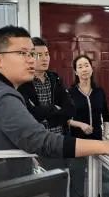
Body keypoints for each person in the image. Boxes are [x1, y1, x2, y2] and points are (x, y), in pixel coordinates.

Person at [0, 26, 109, 186]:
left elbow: (66, 110)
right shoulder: (3, 96)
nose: (31, 60)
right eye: (22, 53)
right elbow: (42, 141)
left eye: (32, 54)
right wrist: (105, 146)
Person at [17, 37, 74, 170]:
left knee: (62, 177)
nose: (45, 59)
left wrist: (46, 115)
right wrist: (54, 108)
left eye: (47, 54)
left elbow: (70, 109)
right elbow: (30, 114)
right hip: (36, 145)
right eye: (39, 55)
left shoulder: (55, 78)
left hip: (59, 141)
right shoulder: (22, 82)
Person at [66, 54, 109, 197]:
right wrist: (81, 125)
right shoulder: (70, 93)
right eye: (80, 67)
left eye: (86, 65)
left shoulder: (99, 92)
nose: (84, 69)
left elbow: (106, 115)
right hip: (78, 142)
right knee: (77, 174)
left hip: (97, 141)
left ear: (92, 68)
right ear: (75, 72)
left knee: (98, 174)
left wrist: (105, 134)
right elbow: (65, 119)